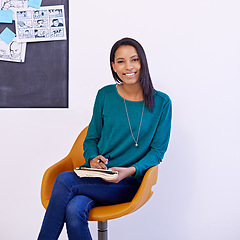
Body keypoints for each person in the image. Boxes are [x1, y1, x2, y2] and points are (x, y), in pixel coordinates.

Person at [37, 37, 172, 240]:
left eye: (134, 59)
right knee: (74, 208)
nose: (128, 67)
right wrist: (92, 158)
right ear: (114, 67)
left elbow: (157, 152)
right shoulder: (105, 95)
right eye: (121, 61)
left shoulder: (162, 102)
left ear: (142, 62)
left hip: (129, 182)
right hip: (96, 176)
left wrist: (130, 170)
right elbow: (91, 138)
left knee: (64, 180)